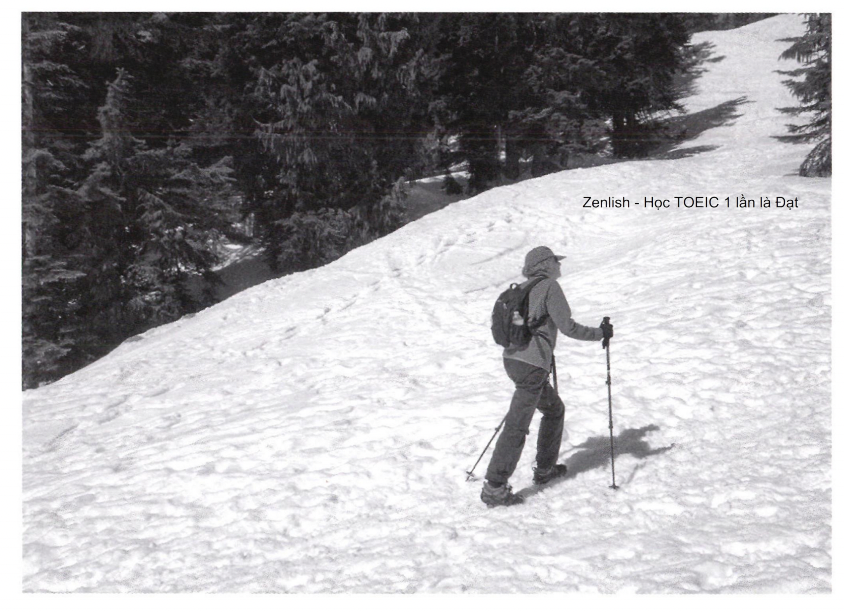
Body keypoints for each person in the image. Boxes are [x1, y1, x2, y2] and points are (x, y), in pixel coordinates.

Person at [481, 246, 613, 507]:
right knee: (517, 425)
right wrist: (601, 333)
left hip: (514, 360)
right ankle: (494, 488)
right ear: (545, 264)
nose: (559, 265)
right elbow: (568, 327)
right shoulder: (549, 287)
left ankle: (545, 469)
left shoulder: (522, 289)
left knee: (554, 410)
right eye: (556, 261)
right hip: (531, 366)